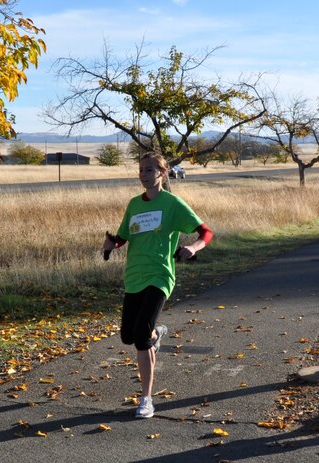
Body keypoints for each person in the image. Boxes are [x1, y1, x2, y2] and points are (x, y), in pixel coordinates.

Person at [103, 152, 213, 419]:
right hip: (134, 276)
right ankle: (156, 334)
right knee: (128, 336)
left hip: (160, 275)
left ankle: (146, 399)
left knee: (140, 336)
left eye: (150, 170)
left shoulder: (172, 203)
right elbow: (123, 237)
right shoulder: (133, 205)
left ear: (162, 173)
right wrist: (111, 245)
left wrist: (192, 248)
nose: (144, 174)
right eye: (141, 170)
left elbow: (206, 232)